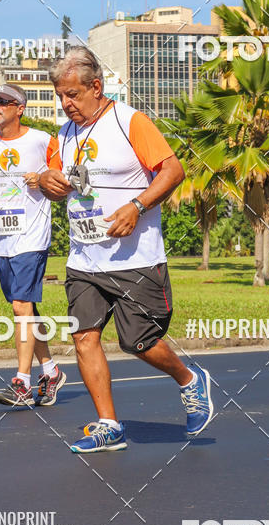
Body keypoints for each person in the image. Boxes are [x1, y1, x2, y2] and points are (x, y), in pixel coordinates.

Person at [38, 48, 213, 453]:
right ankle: (109, 425)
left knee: (138, 342)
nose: (65, 103)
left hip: (136, 259)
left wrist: (137, 206)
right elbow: (54, 182)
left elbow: (173, 171)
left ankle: (189, 380)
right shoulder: (63, 135)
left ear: (96, 87)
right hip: (84, 257)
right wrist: (48, 181)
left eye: (72, 94)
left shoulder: (130, 121)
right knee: (84, 337)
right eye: (60, 95)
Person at [0, 82, 66, 408]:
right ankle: (50, 371)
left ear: (20, 108)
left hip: (32, 235)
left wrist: (43, 179)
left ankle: (21, 383)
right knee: (27, 308)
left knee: (20, 306)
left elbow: (61, 180)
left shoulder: (43, 140)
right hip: (2, 238)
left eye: (3, 102)